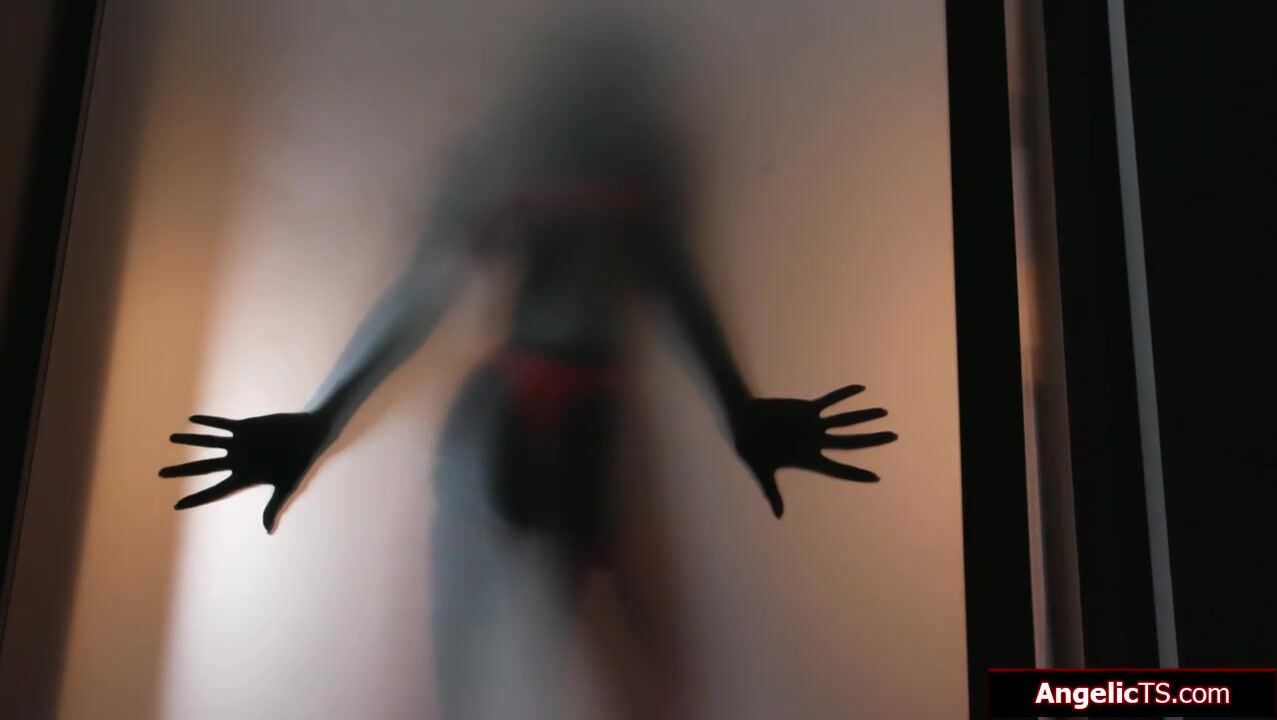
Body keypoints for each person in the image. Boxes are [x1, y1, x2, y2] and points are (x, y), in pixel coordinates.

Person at [159, 17, 897, 718]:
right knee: (490, 667)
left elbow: (662, 280)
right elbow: (427, 290)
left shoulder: (606, 150)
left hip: (569, 411)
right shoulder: (524, 150)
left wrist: (737, 406)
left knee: (599, 674)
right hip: (524, 407)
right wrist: (322, 419)